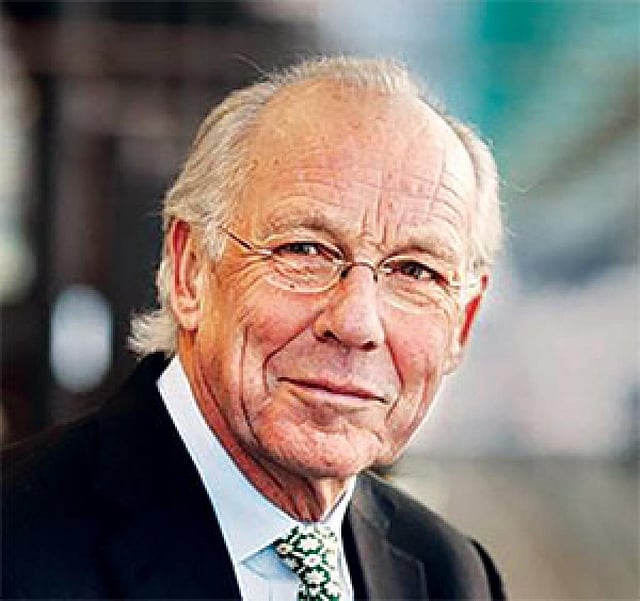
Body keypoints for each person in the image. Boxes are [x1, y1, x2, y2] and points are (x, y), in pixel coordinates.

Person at [3, 56, 506, 600]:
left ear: (463, 322)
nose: (357, 323)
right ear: (190, 270)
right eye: (305, 250)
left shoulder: (453, 576)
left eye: (415, 271)